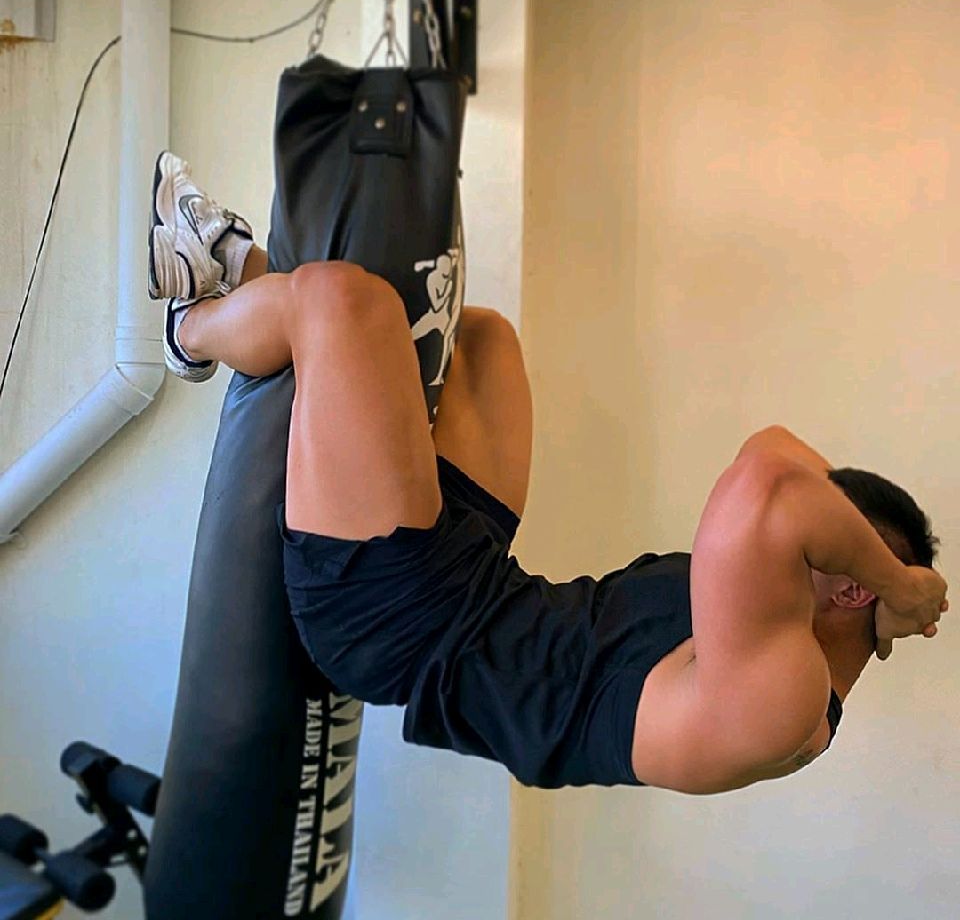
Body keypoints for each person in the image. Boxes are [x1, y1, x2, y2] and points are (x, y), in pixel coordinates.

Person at [148, 152, 948, 794]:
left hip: (403, 629)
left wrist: (902, 588)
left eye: (829, 552)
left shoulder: (783, 707)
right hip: (477, 584)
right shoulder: (793, 622)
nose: (810, 540)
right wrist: (889, 591)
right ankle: (261, 296)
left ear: (851, 588)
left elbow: (771, 488)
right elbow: (777, 451)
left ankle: (196, 320)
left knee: (343, 303)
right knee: (485, 344)